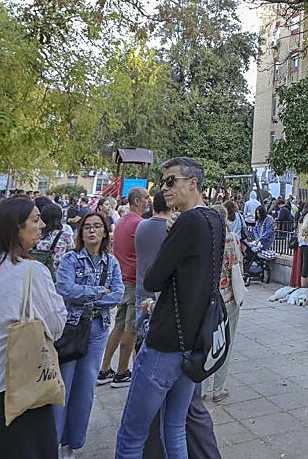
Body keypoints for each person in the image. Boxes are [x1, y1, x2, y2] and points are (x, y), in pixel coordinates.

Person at [115, 157, 223, 458]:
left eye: (170, 180)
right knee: (174, 428)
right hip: (193, 342)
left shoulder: (187, 222)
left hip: (166, 343)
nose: (164, 188)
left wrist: (172, 232)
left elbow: (154, 276)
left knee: (131, 435)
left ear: (192, 183)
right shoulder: (215, 219)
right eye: (163, 182)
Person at [0, 197, 67, 457]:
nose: (42, 225)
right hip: (18, 385)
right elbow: (55, 326)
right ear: (15, 228)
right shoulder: (31, 271)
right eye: (34, 219)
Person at [54, 211, 124, 458]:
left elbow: (117, 294)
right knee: (64, 385)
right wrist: (98, 292)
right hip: (72, 328)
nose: (92, 231)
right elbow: (64, 288)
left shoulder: (111, 261)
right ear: (81, 232)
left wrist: (87, 295)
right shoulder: (71, 259)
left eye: (97, 227)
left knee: (85, 388)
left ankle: (73, 442)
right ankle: (55, 439)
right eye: (87, 227)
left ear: (105, 232)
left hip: (98, 329)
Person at [97, 187, 147, 389]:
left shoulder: (122, 221)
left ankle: (104, 368)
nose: (148, 201)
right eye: (145, 198)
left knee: (118, 326)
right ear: (136, 201)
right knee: (131, 328)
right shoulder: (140, 224)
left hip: (121, 279)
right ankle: (122, 371)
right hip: (134, 281)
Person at [210, 204, 242, 403]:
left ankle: (201, 386)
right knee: (225, 343)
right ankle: (218, 388)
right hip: (228, 297)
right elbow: (236, 265)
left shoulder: (204, 239)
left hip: (207, 298)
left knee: (205, 342)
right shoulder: (230, 239)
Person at [133, 192, 171, 340]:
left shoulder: (141, 225)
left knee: (140, 336)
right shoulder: (172, 230)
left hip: (141, 285)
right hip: (162, 291)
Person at [35, 203, 75, 270]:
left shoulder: (36, 235)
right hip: (59, 272)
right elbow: (72, 253)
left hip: (38, 271)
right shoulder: (65, 236)